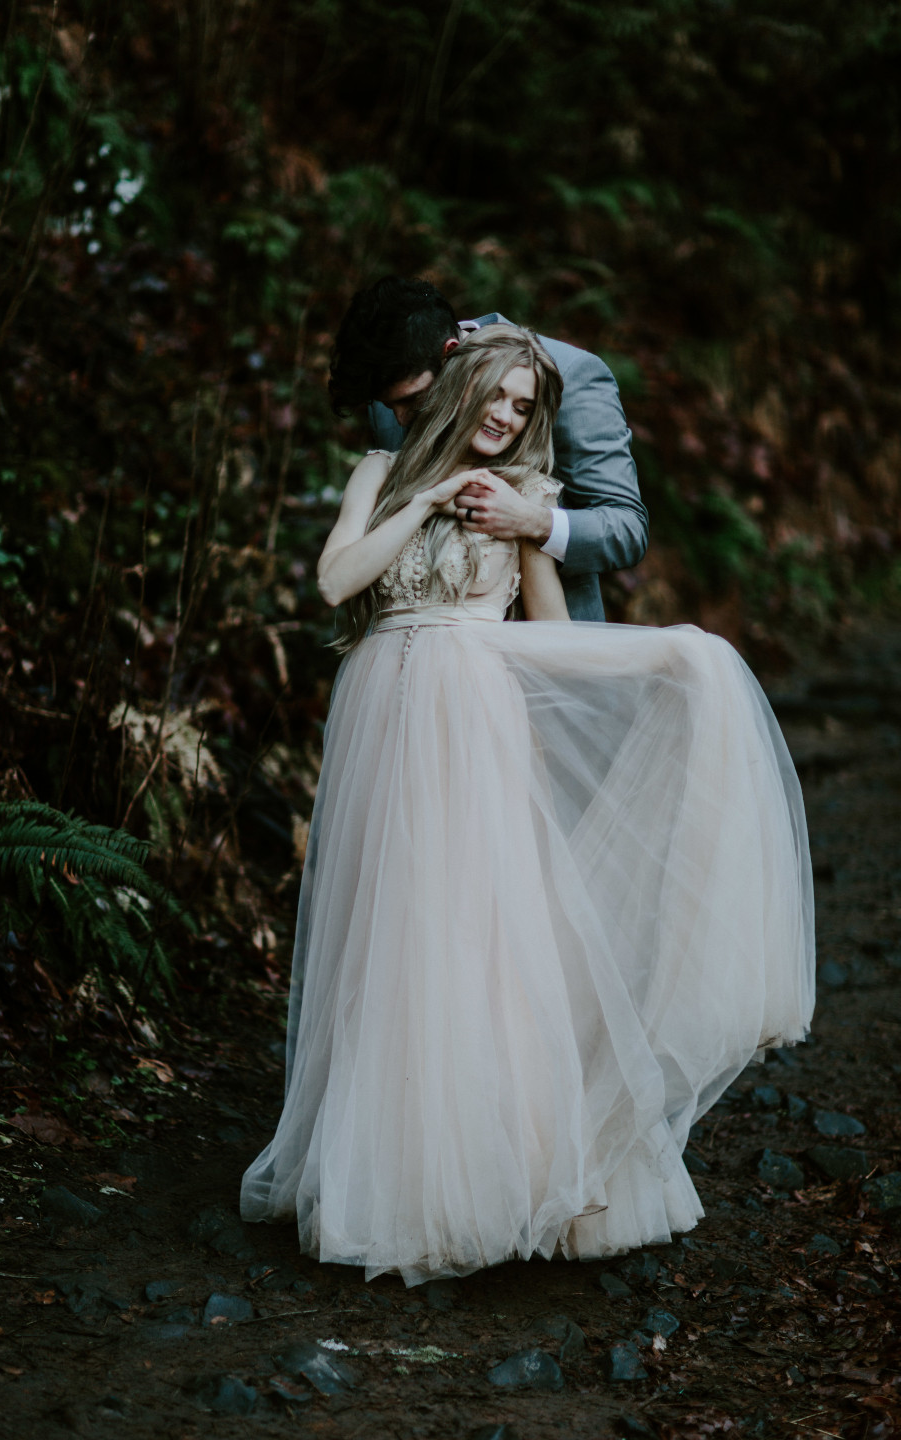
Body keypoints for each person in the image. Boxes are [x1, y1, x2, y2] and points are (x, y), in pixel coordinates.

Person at [241, 325, 814, 1288]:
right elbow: (338, 580)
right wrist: (421, 497)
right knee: (396, 935)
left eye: (523, 405)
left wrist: (668, 655)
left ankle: (510, 1170)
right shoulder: (378, 472)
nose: (509, 416)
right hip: (387, 718)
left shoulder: (530, 499)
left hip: (476, 725)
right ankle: (395, 1168)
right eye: (496, 398)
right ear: (457, 390)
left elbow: (555, 642)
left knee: (487, 938)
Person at [327, 276, 649, 622]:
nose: (401, 420)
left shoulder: (571, 375)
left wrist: (532, 520)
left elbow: (626, 528)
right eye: (387, 405)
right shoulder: (395, 393)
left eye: (411, 400)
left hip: (539, 639)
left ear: (450, 354)